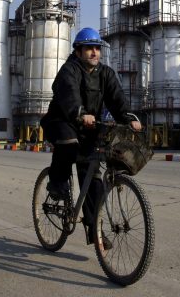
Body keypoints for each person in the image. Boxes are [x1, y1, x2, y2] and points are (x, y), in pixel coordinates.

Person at [40, 27, 142, 247]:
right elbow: (68, 94)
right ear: (78, 51)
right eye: (89, 48)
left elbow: (117, 99)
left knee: (94, 177)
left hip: (89, 127)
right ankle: (57, 183)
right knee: (68, 144)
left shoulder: (105, 73)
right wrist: (79, 112)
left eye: (97, 48)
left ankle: (94, 229)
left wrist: (128, 118)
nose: (94, 52)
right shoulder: (70, 70)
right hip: (62, 121)